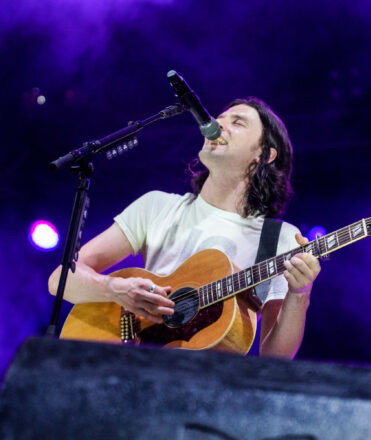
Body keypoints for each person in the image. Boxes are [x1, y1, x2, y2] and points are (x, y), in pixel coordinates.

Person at [48, 97, 321, 359]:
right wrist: (117, 289)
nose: (218, 124)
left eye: (238, 122)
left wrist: (300, 295)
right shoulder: (157, 207)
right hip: (131, 370)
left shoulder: (280, 239)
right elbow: (61, 279)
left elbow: (274, 357)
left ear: (264, 154)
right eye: (219, 118)